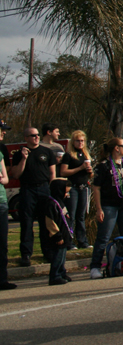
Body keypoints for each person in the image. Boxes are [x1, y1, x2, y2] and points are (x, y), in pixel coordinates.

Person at [10, 127, 57, 266]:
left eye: (37, 135)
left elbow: (52, 173)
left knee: (45, 222)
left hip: (43, 188)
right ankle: (26, 254)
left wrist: (52, 190)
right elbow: (16, 174)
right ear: (26, 138)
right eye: (32, 136)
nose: (36, 137)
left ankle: (47, 251)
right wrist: (24, 159)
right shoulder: (19, 154)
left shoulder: (47, 152)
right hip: (27, 189)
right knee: (26, 222)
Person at [89, 137, 123, 279]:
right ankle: (95, 266)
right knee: (104, 236)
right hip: (109, 205)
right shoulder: (103, 166)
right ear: (116, 148)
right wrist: (99, 209)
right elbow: (96, 187)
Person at [58, 131, 93, 250]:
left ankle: (83, 241)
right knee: (71, 216)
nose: (80, 143)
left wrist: (90, 171)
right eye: (78, 141)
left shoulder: (85, 155)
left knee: (81, 216)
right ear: (73, 142)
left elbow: (90, 175)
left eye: (82, 141)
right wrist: (80, 168)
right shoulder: (68, 155)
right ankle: (69, 242)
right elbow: (63, 172)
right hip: (73, 187)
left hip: (84, 187)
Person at [38, 178, 72, 285]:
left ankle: (62, 272)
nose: (67, 194)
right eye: (65, 192)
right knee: (57, 257)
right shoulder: (51, 204)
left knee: (62, 256)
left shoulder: (60, 202)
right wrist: (57, 235)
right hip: (58, 237)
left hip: (65, 235)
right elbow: (50, 221)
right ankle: (55, 275)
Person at [0, 120, 17, 290]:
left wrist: (2, 179)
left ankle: (2, 279)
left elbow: (6, 178)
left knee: (2, 243)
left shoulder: (1, 150)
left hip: (1, 202)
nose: (4, 132)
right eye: (1, 130)